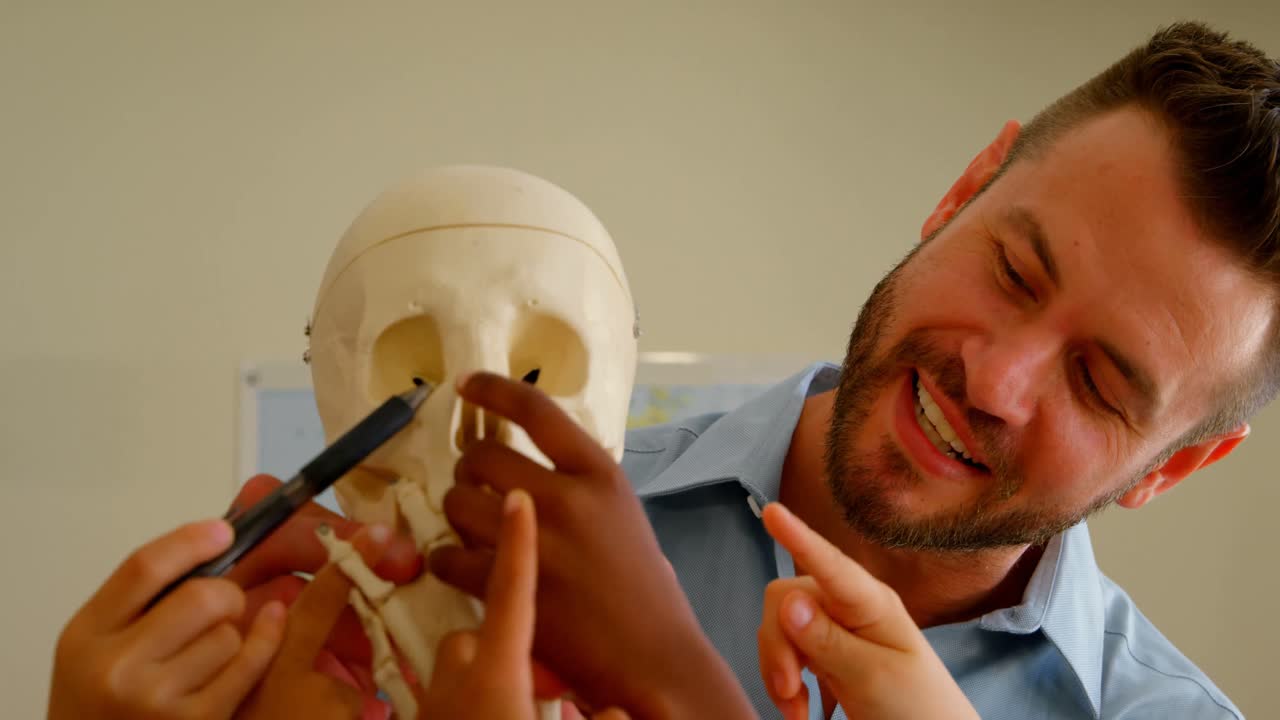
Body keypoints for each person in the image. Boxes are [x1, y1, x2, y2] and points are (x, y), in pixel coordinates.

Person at [434, 20, 1277, 720]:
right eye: (1014, 272)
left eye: (1096, 386)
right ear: (966, 190)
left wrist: (674, 689)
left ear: (1172, 466)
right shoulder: (507, 530)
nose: (994, 382)